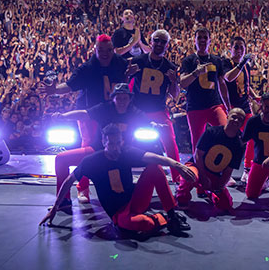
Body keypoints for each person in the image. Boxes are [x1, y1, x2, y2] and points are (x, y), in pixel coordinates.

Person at [40, 123, 196, 236]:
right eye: (111, 144)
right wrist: (55, 207)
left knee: (155, 168)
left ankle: (173, 216)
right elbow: (69, 180)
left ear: (121, 142)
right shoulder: (92, 161)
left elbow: (155, 158)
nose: (115, 148)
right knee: (141, 224)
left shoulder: (126, 152)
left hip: (135, 200)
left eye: (117, 143)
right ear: (103, 142)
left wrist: (178, 166)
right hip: (118, 213)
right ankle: (161, 219)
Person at [38, 35, 132, 202]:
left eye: (108, 50)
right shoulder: (87, 68)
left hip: (110, 112)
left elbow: (126, 82)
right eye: (101, 50)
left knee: (113, 147)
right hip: (89, 114)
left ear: (113, 50)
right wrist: (54, 91)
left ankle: (115, 185)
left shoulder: (121, 63)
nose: (105, 53)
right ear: (95, 50)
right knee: (88, 148)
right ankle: (83, 188)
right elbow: (69, 85)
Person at [50, 83, 148, 210]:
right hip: (98, 151)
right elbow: (84, 113)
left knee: (155, 165)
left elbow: (149, 123)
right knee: (61, 159)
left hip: (123, 154)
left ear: (129, 99)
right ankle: (64, 200)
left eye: (125, 98)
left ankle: (169, 209)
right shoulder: (104, 108)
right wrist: (63, 117)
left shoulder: (135, 112)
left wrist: (157, 126)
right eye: (119, 98)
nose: (122, 101)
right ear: (113, 98)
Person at [129, 30, 182, 182]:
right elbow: (123, 84)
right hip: (136, 110)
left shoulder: (170, 66)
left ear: (167, 45)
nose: (159, 44)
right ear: (150, 42)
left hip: (158, 110)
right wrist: (127, 74)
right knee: (123, 139)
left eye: (163, 42)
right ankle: (121, 177)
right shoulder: (139, 60)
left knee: (170, 142)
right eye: (156, 40)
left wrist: (174, 81)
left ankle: (177, 179)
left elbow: (174, 95)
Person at [175, 108, 246, 211]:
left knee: (225, 205)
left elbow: (229, 170)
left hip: (214, 173)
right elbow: (198, 155)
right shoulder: (212, 132)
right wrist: (203, 177)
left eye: (239, 119)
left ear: (242, 123)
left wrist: (220, 186)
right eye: (234, 117)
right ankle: (182, 196)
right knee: (189, 174)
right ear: (227, 116)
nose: (236, 120)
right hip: (197, 167)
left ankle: (208, 193)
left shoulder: (239, 144)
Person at [180, 27, 231, 156]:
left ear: (210, 40)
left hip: (214, 105)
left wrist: (228, 106)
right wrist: (196, 73)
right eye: (199, 37)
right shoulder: (188, 60)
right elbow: (183, 83)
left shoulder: (216, 60)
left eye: (205, 37)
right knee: (197, 144)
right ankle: (199, 172)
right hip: (195, 107)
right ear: (194, 41)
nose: (202, 40)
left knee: (226, 134)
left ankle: (222, 169)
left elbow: (222, 84)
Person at [222, 36, 258, 183]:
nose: (239, 50)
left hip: (244, 105)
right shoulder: (225, 63)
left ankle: (247, 169)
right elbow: (228, 78)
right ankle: (224, 171)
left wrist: (255, 97)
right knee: (227, 138)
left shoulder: (246, 66)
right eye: (236, 47)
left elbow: (246, 87)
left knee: (252, 135)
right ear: (230, 48)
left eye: (242, 47)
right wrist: (242, 63)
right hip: (229, 106)